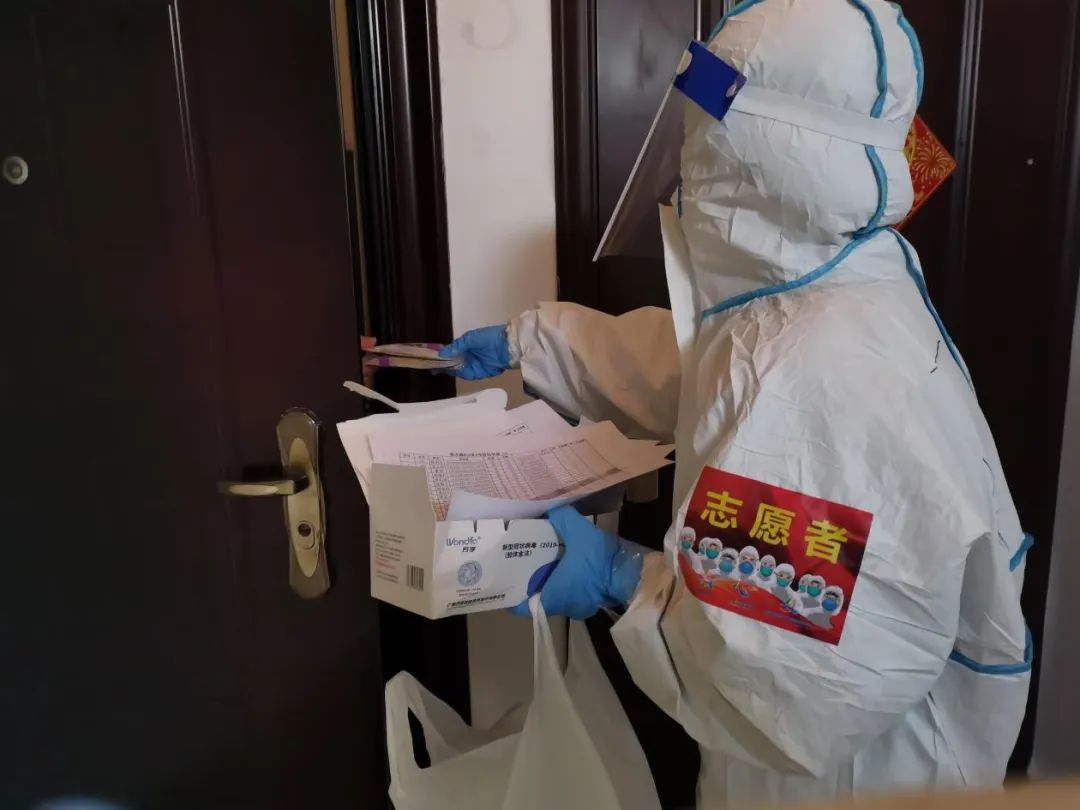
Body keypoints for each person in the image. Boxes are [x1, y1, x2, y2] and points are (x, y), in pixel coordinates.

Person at [441, 0, 1031, 805]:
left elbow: (780, 684)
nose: (686, 172)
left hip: (847, 780)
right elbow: (704, 370)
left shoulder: (814, 379)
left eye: (704, 142)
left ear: (754, 162)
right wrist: (532, 342)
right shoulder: (831, 285)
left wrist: (622, 579)